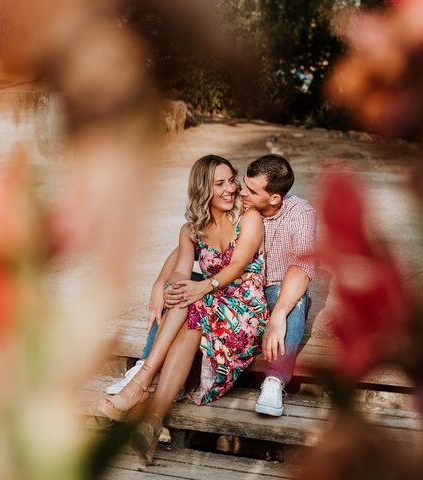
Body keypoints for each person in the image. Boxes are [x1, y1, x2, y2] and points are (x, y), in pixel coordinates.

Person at [107, 153, 316, 417]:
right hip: (222, 291)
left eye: (247, 189)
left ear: (273, 198)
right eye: (237, 184)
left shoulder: (290, 214)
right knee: (183, 294)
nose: (238, 191)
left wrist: (277, 315)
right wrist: (161, 285)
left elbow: (300, 268)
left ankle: (274, 380)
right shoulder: (228, 212)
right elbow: (185, 254)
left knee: (293, 303)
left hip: (268, 289)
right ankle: (146, 380)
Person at [98, 155, 269, 464]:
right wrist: (171, 287)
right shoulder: (191, 230)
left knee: (194, 301)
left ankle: (140, 382)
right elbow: (180, 272)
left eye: (232, 180)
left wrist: (199, 287)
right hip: (207, 311)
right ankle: (152, 422)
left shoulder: (249, 218)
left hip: (244, 314)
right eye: (220, 184)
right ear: (203, 189)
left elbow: (238, 265)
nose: (231, 188)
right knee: (187, 305)